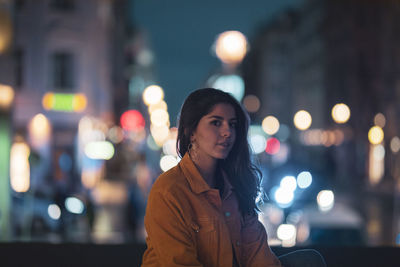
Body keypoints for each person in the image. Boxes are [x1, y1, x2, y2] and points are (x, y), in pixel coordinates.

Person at [141, 88, 326, 267]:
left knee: (309, 260)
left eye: (232, 124)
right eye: (216, 122)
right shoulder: (169, 191)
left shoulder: (236, 184)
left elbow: (257, 254)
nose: (227, 132)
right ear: (192, 132)